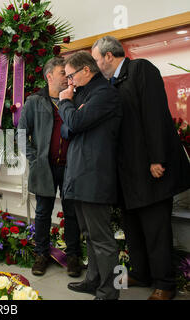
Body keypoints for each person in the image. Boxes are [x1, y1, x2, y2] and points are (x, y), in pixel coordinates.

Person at [91, 36, 190, 300]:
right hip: (127, 173)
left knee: (155, 229)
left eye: (97, 58)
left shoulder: (141, 69)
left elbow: (155, 115)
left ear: (109, 56)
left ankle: (165, 284)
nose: (96, 64)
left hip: (150, 170)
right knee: (133, 227)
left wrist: (157, 158)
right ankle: (141, 273)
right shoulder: (110, 84)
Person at [58, 51, 122, 300]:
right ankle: (94, 280)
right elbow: (66, 130)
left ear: (86, 70)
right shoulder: (83, 94)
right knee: (89, 235)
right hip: (79, 175)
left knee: (103, 239)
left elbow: (73, 123)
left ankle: (111, 290)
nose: (69, 82)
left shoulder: (104, 93)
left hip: (95, 176)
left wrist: (66, 103)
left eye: (71, 75)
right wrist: (73, 114)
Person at [18, 56, 82, 278]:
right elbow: (20, 134)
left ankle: (73, 256)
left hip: (71, 167)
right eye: (63, 73)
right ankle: (41, 255)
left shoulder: (75, 98)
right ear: (49, 76)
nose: (67, 77)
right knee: (43, 212)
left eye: (68, 73)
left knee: (72, 212)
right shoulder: (34, 101)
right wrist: (35, 159)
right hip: (44, 167)